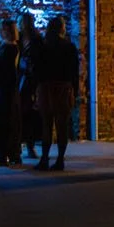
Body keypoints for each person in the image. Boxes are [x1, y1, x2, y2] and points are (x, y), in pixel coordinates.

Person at [34, 15, 80, 171]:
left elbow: (37, 70)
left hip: (46, 87)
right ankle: (60, 159)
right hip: (63, 88)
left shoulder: (43, 47)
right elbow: (74, 71)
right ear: (62, 29)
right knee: (62, 126)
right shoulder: (69, 47)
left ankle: (45, 158)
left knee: (46, 125)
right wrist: (76, 90)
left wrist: (36, 89)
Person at [0, 18, 21, 166]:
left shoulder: (9, 48)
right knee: (11, 120)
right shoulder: (11, 46)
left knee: (5, 121)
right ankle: (13, 153)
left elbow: (1, 65)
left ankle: (4, 155)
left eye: (2, 29)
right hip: (9, 88)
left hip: (6, 89)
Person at [16, 15, 42, 164]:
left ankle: (31, 145)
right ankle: (20, 146)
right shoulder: (18, 40)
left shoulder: (36, 40)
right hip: (20, 80)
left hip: (31, 81)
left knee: (31, 114)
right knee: (20, 114)